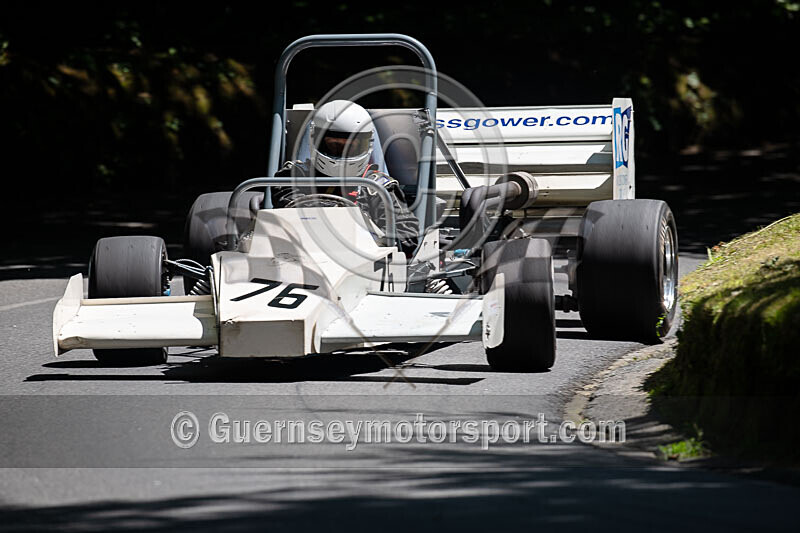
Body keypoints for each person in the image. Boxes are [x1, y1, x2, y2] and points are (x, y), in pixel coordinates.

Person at [272, 100, 419, 254]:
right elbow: (290, 209)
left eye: (350, 146)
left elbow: (407, 237)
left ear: (367, 144)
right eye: (334, 145)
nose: (342, 152)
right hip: (300, 256)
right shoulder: (292, 176)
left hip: (362, 260)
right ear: (315, 140)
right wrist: (343, 214)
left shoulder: (378, 187)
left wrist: (371, 236)